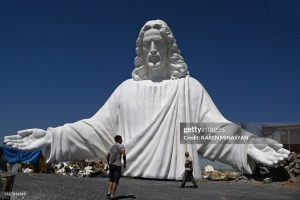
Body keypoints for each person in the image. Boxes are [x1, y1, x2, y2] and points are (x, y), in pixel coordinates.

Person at [4, 19, 290, 181]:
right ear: (140, 50)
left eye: (159, 44)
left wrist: (248, 144)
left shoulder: (188, 88)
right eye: (146, 44)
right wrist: (52, 137)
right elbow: (97, 132)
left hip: (178, 184)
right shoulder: (126, 90)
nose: (152, 50)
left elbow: (207, 133)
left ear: (169, 48)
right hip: (130, 183)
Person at [106, 135, 126, 200]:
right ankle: (112, 195)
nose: (122, 140)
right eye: (121, 139)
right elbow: (124, 154)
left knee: (111, 179)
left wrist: (108, 162)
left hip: (111, 165)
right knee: (115, 181)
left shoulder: (112, 146)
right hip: (117, 165)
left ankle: (108, 192)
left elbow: (107, 156)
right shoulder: (121, 146)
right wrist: (124, 163)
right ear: (119, 139)